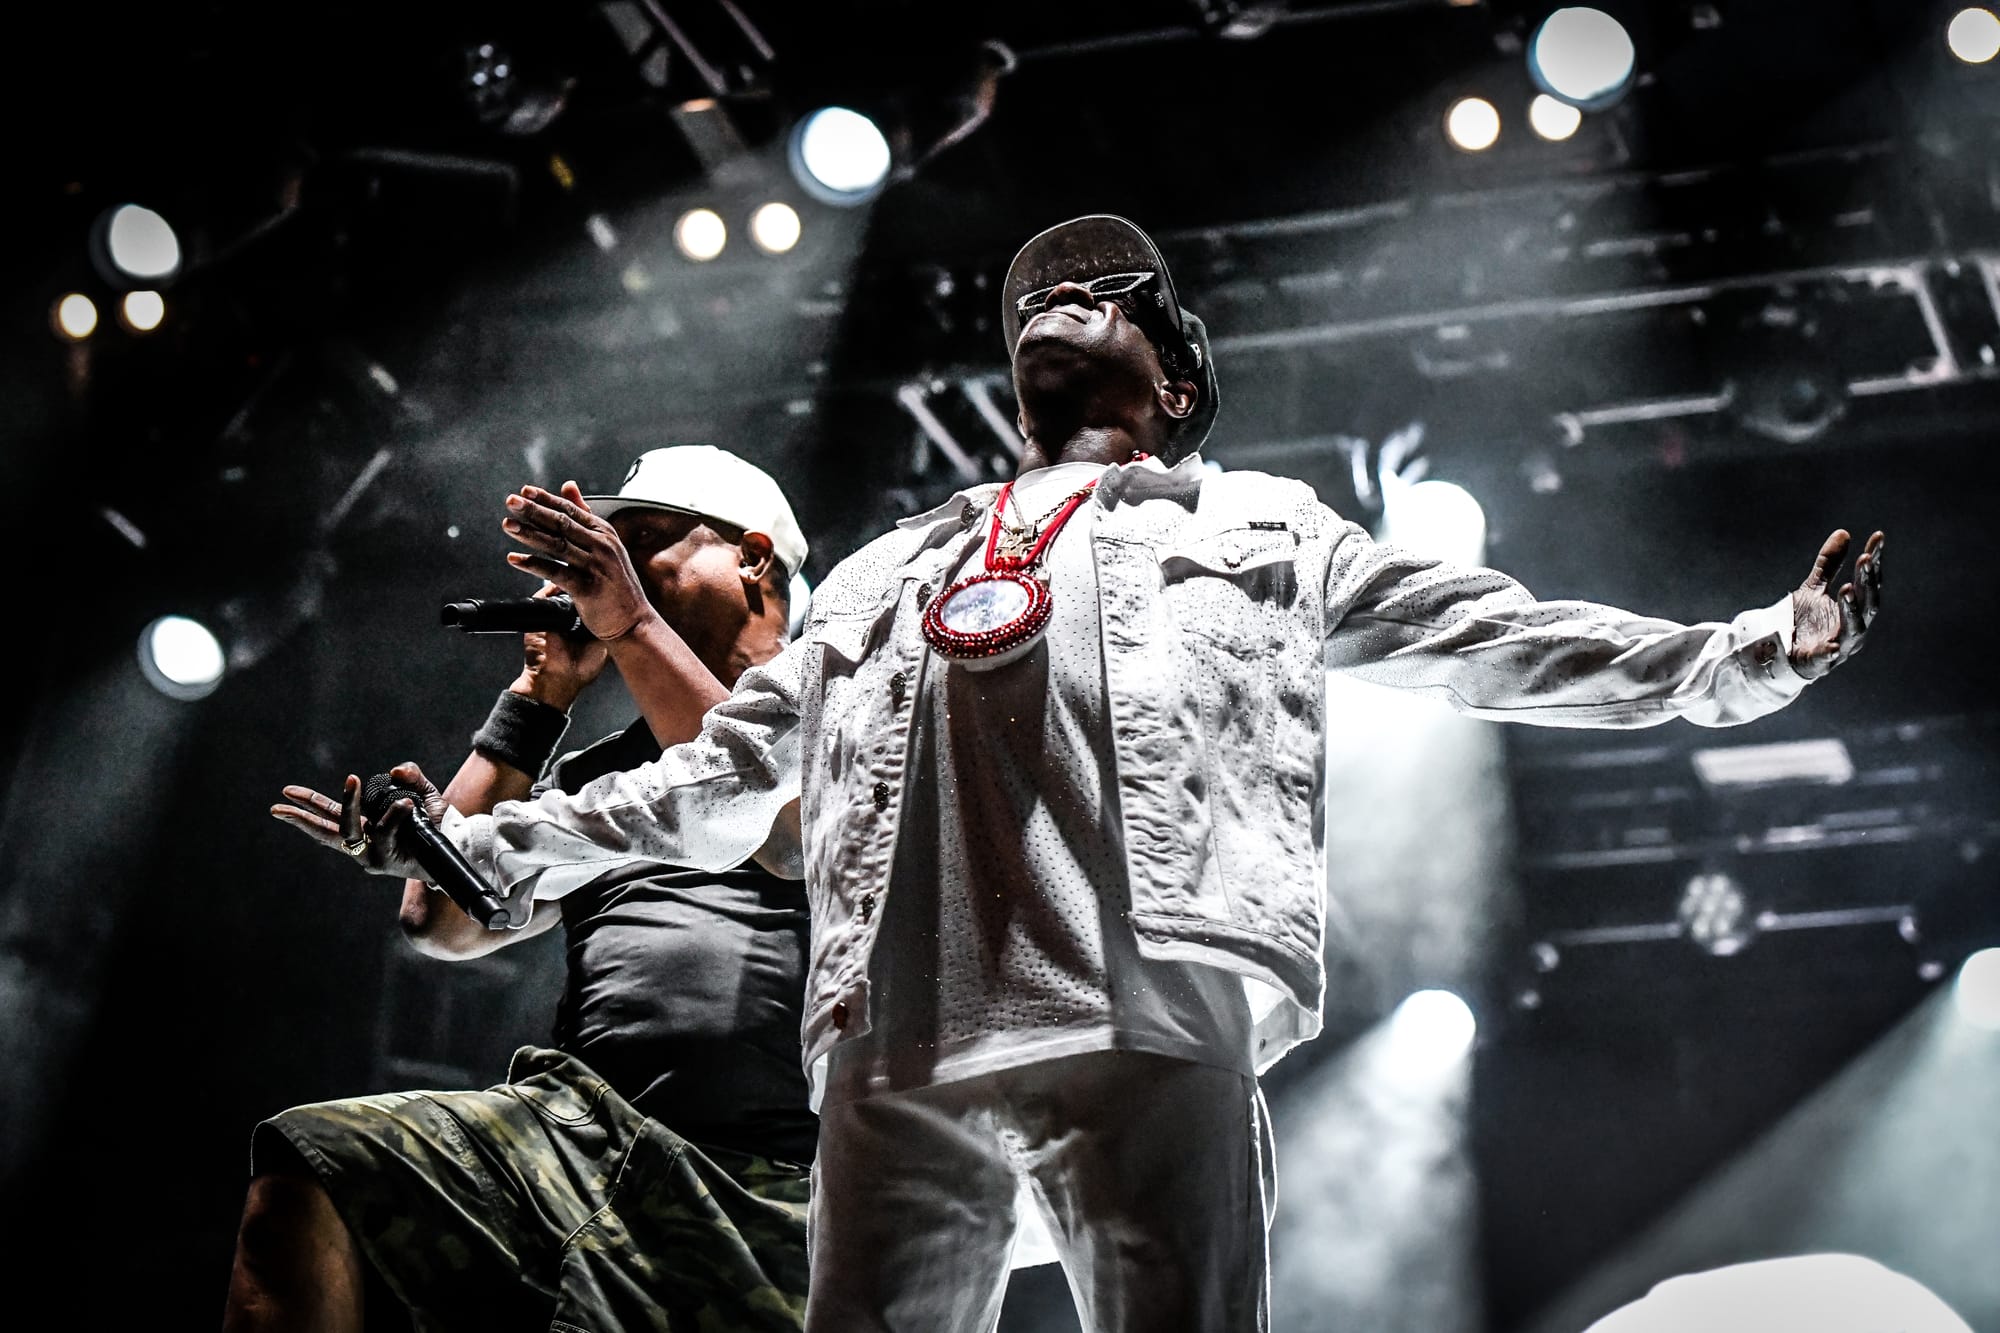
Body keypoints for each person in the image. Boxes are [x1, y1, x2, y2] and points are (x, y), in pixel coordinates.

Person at [297, 215, 1886, 1332]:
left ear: (1175, 384)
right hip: (898, 1043)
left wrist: (1755, 653)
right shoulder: (891, 570)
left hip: (1144, 1011)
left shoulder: (1261, 531)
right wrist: (483, 850)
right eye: (1037, 300)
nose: (1062, 298)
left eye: (1108, 293)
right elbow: (715, 775)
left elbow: (1499, 637)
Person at [233, 446, 816, 1332]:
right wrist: (540, 694)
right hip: (580, 1140)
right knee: (318, 1167)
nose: (613, 571)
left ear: (753, 558)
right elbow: (440, 919)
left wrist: (629, 621)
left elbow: (773, 820)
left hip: (768, 1181)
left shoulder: (840, 707)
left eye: (643, 542)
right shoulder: (604, 777)